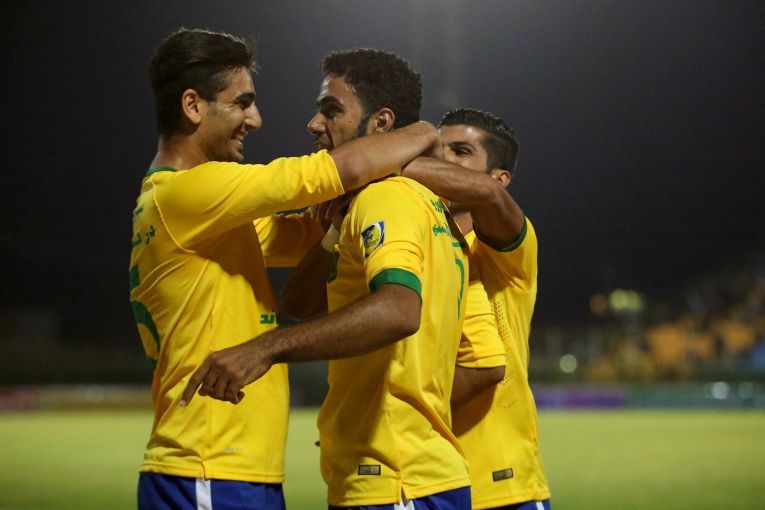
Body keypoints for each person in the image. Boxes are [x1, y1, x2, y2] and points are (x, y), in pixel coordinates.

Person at [131, 30, 441, 510]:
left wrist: (342, 220)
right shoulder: (188, 192)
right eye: (242, 103)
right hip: (206, 464)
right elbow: (328, 173)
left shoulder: (199, 213)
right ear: (192, 106)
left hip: (228, 468)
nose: (255, 120)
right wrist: (422, 133)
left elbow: (308, 236)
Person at [401, 108, 552, 510]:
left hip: (503, 484)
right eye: (437, 149)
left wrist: (379, 162)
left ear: (499, 179)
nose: (443, 159)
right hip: (425, 479)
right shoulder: (410, 248)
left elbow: (488, 198)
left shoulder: (506, 252)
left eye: (461, 151)